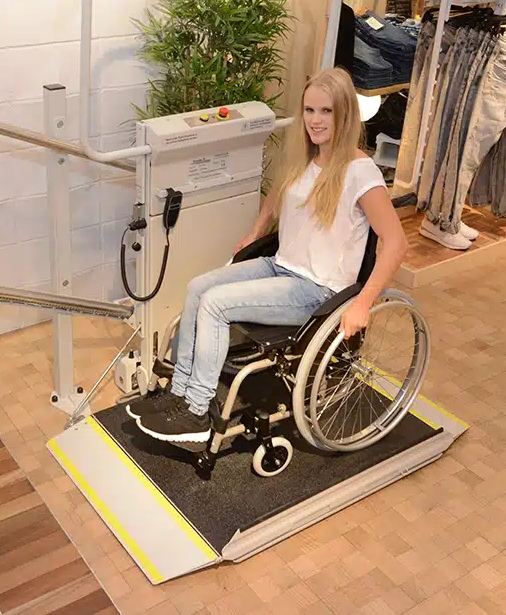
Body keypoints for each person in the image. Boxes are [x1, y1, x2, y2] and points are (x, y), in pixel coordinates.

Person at [128, 67, 410, 445]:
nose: (315, 120)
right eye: (309, 110)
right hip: (279, 266)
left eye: (326, 111)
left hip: (316, 290)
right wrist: (256, 231)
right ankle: (179, 392)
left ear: (344, 114)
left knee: (215, 304)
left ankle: (196, 410)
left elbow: (396, 243)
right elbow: (278, 195)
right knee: (198, 287)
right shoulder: (305, 158)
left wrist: (363, 303)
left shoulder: (361, 173)